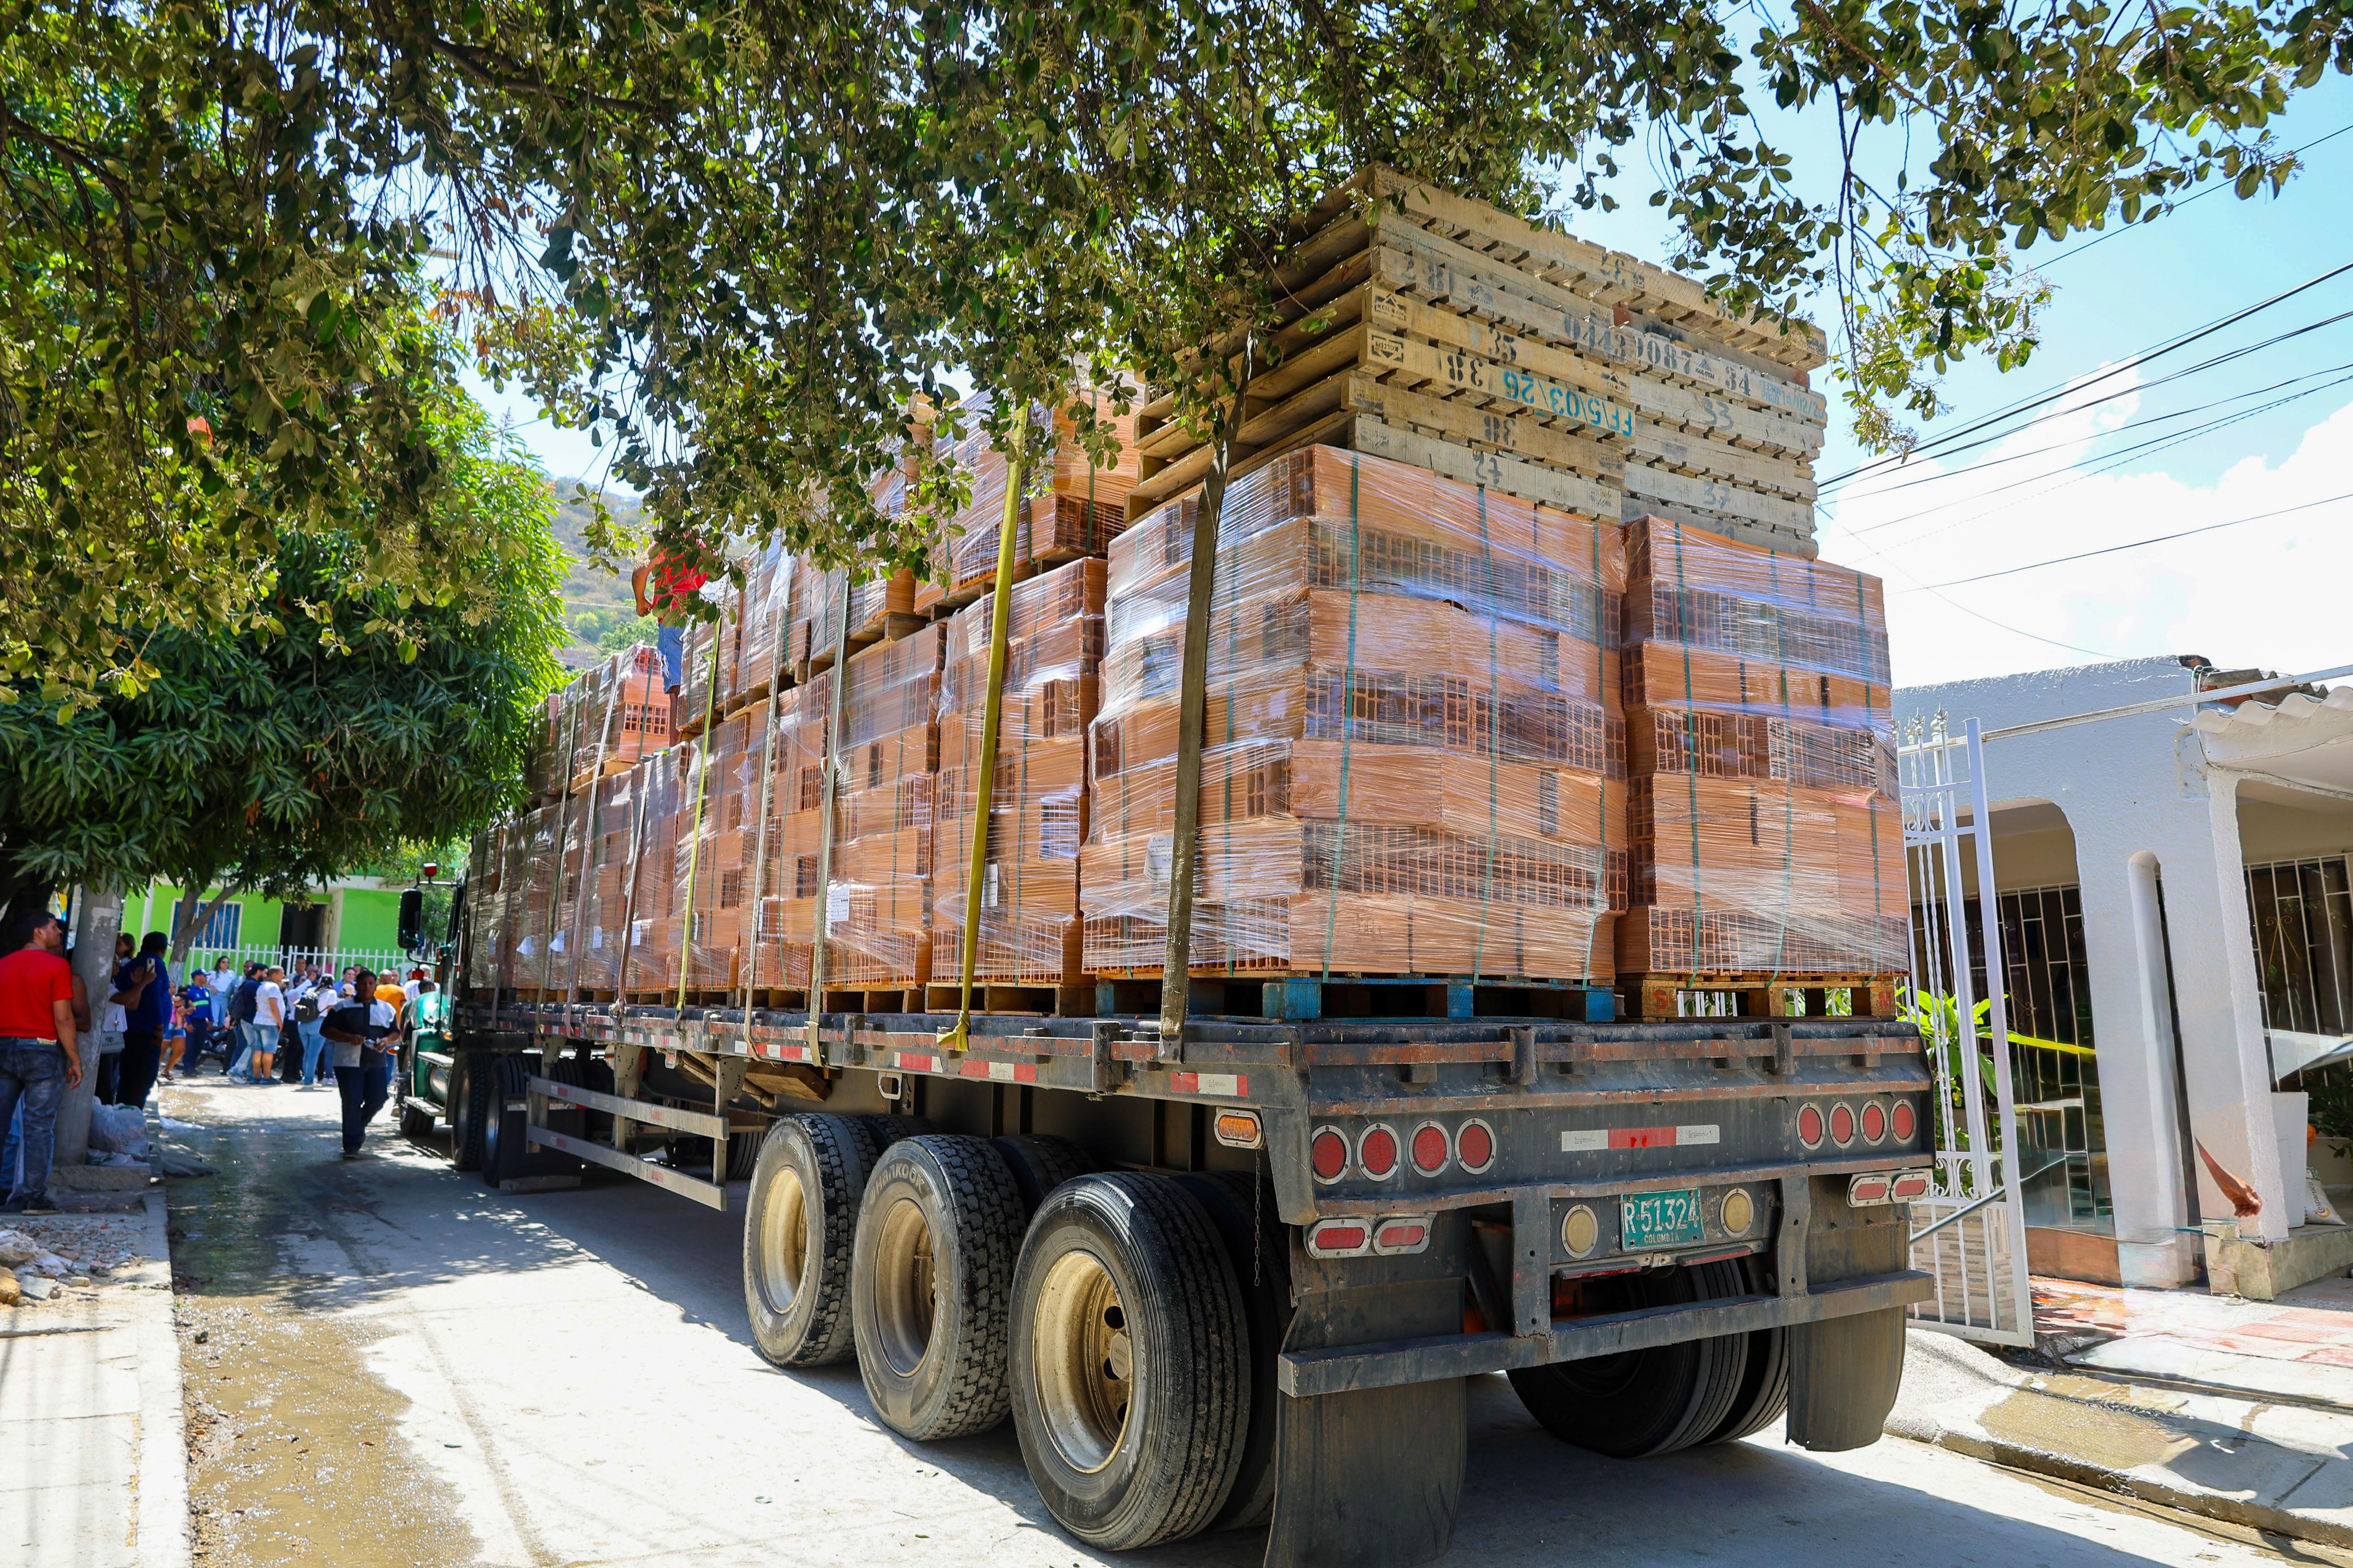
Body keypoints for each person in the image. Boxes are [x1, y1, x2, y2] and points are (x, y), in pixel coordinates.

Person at [0, 912, 83, 1213]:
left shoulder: (2, 965)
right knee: (38, 1127)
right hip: (42, 1051)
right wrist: (74, 1058)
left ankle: (2, 1190)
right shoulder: (57, 966)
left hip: (3, 1047)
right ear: (38, 932)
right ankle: (33, 1198)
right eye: (53, 927)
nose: (59, 932)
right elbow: (63, 1017)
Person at [321, 967, 398, 1159]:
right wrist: (348, 1037)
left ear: (376, 986)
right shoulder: (342, 1007)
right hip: (347, 1063)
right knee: (352, 1101)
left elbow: (395, 1032)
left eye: (371, 984)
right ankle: (352, 1145)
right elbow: (326, 1030)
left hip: (376, 1061)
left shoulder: (386, 1008)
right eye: (363, 984)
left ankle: (357, 1126)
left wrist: (386, 1041)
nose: (367, 987)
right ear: (357, 985)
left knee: (379, 1098)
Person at [632, 538, 710, 693]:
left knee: (676, 686)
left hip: (672, 617)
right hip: (700, 619)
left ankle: (676, 719)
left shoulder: (666, 542)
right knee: (698, 683)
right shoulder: (702, 545)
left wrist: (640, 601)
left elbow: (640, 573)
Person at [113, 931, 171, 1108]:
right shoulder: (152, 963)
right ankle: (128, 1118)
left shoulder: (135, 963)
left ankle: (126, 1115)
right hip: (144, 1031)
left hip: (134, 1029)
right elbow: (153, 995)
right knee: (141, 1079)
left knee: (131, 1079)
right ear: (162, 949)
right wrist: (159, 1027)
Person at [94, 930, 134, 1103]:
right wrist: (144, 982)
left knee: (112, 1082)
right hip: (105, 1039)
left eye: (118, 963)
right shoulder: (103, 985)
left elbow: (133, 1004)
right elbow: (125, 1000)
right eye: (115, 963)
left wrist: (138, 984)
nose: (118, 967)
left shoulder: (113, 983)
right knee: (105, 1086)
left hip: (116, 1038)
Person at [291, 969, 333, 1088]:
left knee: (307, 1052)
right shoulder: (331, 993)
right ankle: (309, 1079)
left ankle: (306, 1076)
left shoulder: (311, 990)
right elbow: (331, 1010)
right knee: (314, 1054)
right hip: (319, 1023)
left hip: (303, 1023)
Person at [248, 964, 286, 1083]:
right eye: (282, 973)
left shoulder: (262, 986)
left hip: (258, 1020)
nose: (283, 975)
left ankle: (256, 1076)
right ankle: (267, 1077)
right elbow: (274, 1006)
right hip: (269, 1023)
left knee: (258, 1050)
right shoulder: (273, 988)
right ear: (274, 975)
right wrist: (280, 1022)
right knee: (269, 1051)